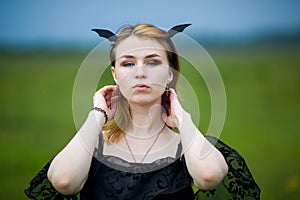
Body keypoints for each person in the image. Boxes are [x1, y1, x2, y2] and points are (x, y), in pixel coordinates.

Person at [25, 23, 260, 200]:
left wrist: (181, 118)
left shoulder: (187, 143)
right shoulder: (92, 144)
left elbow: (209, 177)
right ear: (115, 74)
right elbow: (64, 182)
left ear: (170, 73)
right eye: (128, 63)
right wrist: (97, 114)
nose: (140, 73)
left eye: (152, 62)